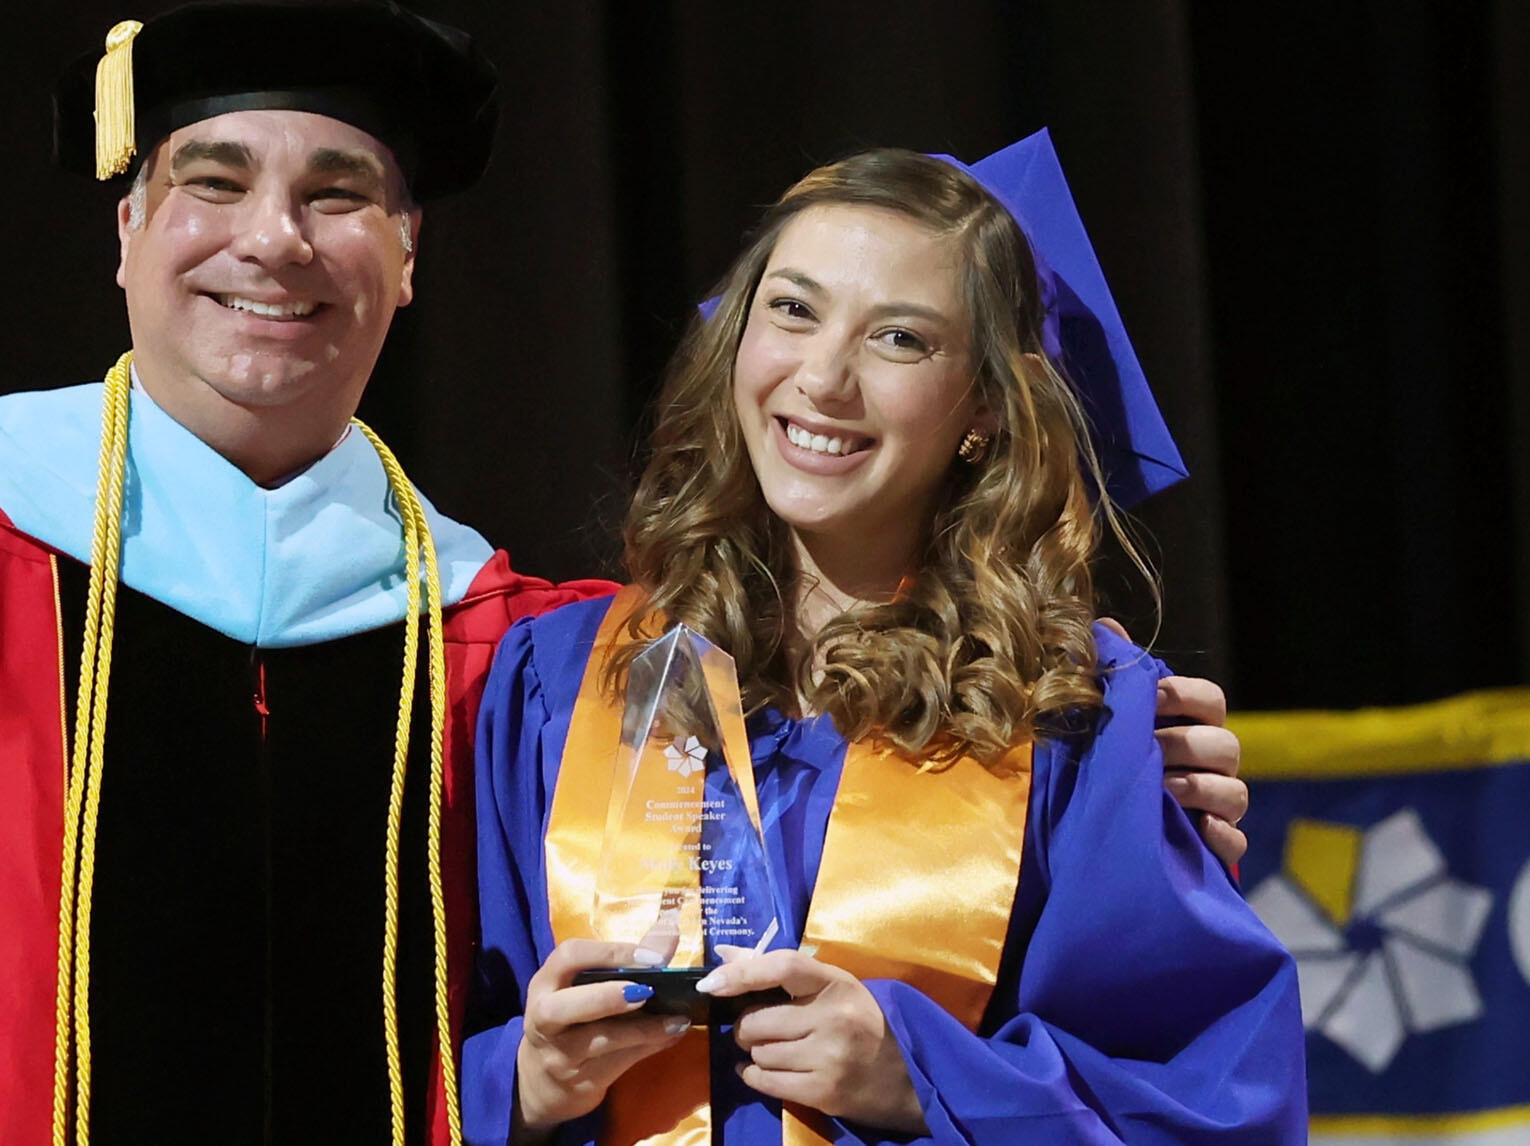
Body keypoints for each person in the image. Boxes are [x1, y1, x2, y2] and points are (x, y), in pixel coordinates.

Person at [0, 0, 1254, 1146]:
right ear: (128, 232)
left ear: (408, 259)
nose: (276, 238)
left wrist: (1101, 749)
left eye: (343, 191)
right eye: (213, 180)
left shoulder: (491, 642)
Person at [465, 136, 1304, 1145]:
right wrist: (517, 1084)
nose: (822, 377)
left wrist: (921, 1080)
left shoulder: (1072, 714)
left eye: (898, 339)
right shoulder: (557, 681)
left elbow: (1208, 1106)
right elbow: (390, 1049)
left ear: (985, 410)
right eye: (792, 309)